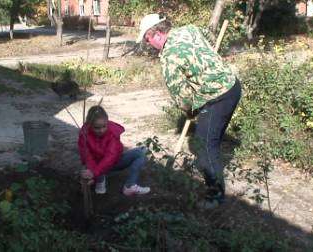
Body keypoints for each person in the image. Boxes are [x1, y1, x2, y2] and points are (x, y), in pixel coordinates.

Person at [137, 14, 242, 208]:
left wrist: (189, 111)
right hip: (233, 86)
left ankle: (215, 196)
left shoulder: (169, 57)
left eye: (147, 39)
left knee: (203, 146)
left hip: (217, 97)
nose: (148, 43)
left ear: (157, 34)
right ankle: (212, 165)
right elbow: (208, 37)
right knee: (211, 140)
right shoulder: (188, 29)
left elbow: (182, 97)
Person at [78, 105, 150, 196]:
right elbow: (87, 157)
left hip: (113, 163)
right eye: (97, 128)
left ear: (107, 122)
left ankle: (130, 186)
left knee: (140, 152)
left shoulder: (112, 132)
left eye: (104, 126)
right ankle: (99, 180)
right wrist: (93, 173)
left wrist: (94, 173)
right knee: (88, 170)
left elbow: (111, 156)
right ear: (89, 124)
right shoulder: (84, 135)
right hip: (95, 166)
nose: (101, 130)